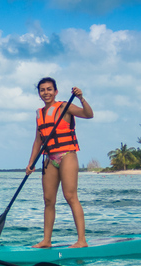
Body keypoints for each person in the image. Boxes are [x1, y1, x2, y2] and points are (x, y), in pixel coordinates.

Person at [26, 77, 93, 249]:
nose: (46, 92)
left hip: (67, 155)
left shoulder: (65, 106)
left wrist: (81, 98)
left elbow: (88, 114)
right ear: (39, 93)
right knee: (48, 200)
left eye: (49, 89)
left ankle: (81, 240)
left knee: (70, 196)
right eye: (42, 90)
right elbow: (37, 141)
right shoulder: (39, 114)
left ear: (55, 92)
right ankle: (46, 240)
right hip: (49, 159)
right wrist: (31, 163)